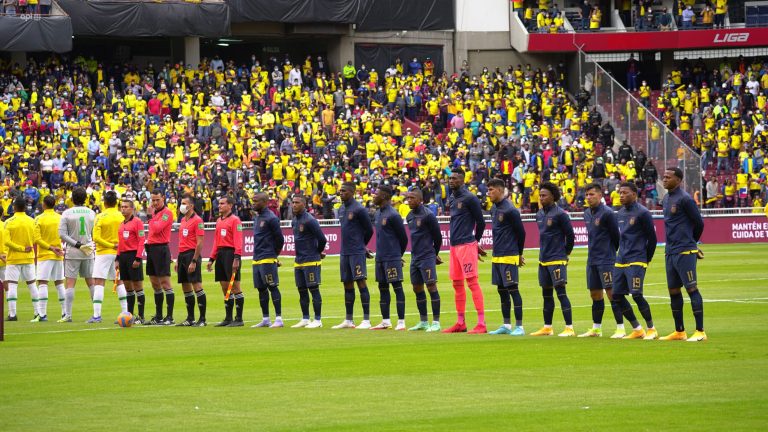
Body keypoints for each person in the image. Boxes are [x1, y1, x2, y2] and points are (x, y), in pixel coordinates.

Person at [660, 168, 706, 342]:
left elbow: (699, 223)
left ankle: (700, 331)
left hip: (685, 251)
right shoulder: (665, 199)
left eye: (668, 177)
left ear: (678, 180)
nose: (664, 179)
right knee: (673, 291)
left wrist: (691, 243)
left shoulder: (685, 199)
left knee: (691, 289)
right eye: (663, 177)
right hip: (670, 251)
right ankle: (679, 331)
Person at [443, 169, 487, 334]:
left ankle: (481, 324)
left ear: (462, 180)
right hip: (454, 247)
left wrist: (475, 242)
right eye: (450, 178)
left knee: (472, 283)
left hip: (466, 245)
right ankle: (460, 322)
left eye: (454, 178)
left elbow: (480, 222)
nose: (451, 180)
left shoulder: (470, 198)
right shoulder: (453, 197)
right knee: (456, 284)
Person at [613, 182, 658, 340]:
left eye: (625, 192)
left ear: (634, 194)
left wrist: (646, 259)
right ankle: (637, 329)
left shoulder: (643, 213)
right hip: (621, 259)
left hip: (637, 259)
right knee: (616, 295)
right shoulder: (619, 213)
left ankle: (651, 329)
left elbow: (652, 239)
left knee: (637, 295)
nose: (621, 195)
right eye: (620, 193)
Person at [579, 184, 624, 338]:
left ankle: (621, 328)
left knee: (612, 294)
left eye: (592, 194)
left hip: (606, 260)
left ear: (599, 195)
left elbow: (616, 237)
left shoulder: (608, 213)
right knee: (595, 295)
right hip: (592, 260)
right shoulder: (586, 213)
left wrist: (611, 254)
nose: (588, 197)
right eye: (587, 195)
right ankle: (596, 329)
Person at [531, 183, 575, 337]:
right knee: (546, 294)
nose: (541, 198)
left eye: (544, 195)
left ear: (553, 196)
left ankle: (569, 328)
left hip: (557, 259)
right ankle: (547, 327)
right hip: (543, 260)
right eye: (540, 195)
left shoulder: (560, 214)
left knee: (561, 293)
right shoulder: (539, 214)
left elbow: (570, 236)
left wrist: (565, 254)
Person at [486, 179, 527, 336]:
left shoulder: (510, 210)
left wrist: (519, 253)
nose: (488, 193)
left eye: (491, 190)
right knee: (501, 291)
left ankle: (519, 327)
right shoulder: (494, 209)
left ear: (499, 190)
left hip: (509, 255)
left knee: (513, 290)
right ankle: (506, 325)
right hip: (497, 256)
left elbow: (521, 233)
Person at [332, 182, 374, 330]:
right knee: (347, 284)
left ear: (352, 192)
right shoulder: (342, 209)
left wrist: (361, 246)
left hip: (356, 252)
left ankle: (366, 320)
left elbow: (369, 230)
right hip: (344, 252)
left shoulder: (359, 209)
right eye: (340, 190)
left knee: (361, 282)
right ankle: (348, 320)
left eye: (343, 191)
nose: (340, 193)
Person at [370, 185, 409, 330]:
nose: (374, 196)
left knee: (397, 288)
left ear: (385, 196)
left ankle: (401, 322)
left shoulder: (393, 215)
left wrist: (398, 255)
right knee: (382, 288)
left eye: (376, 194)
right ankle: (385, 321)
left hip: (391, 258)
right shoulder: (378, 213)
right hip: (380, 257)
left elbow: (403, 239)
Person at [405, 190, 442, 332]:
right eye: (408, 198)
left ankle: (436, 322)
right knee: (417, 288)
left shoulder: (428, 215)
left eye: (412, 198)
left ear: (420, 200)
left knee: (431, 286)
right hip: (415, 257)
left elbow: (437, 237)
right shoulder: (409, 216)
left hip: (427, 256)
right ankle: (423, 321)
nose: (409, 200)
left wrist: (434, 254)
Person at [58, 187, 96, 323]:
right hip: (88, 250)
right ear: (85, 198)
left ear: (72, 199)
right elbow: (93, 232)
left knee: (70, 283)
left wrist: (76, 244)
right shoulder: (91, 213)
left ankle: (67, 315)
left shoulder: (67, 213)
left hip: (73, 251)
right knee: (91, 282)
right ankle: (96, 313)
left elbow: (62, 234)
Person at [207, 196, 245, 327]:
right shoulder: (218, 221)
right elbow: (216, 241)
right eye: (219, 204)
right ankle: (228, 318)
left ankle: (239, 319)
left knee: (234, 286)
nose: (219, 206)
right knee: (225, 287)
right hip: (221, 255)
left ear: (230, 205)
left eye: (222, 203)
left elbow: (238, 241)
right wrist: (211, 258)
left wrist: (237, 258)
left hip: (231, 254)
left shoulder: (235, 221)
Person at [250, 192, 285, 329]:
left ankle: (279, 318)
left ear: (264, 202)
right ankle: (265, 319)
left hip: (267, 257)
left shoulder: (271, 218)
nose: (253, 203)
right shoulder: (257, 217)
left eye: (256, 201)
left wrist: (274, 255)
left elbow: (280, 239)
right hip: (256, 258)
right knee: (261, 289)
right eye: (252, 201)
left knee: (272, 286)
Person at [291, 195, 326, 329]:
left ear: (304, 205)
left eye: (297, 203)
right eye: (293, 202)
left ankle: (317, 319)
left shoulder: (310, 220)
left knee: (314, 289)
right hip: (298, 260)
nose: (294, 205)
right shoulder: (294, 221)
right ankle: (305, 318)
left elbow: (322, 239)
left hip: (311, 260)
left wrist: (317, 252)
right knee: (301, 291)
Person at [92, 191, 129, 321]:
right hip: (119, 253)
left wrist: (109, 245)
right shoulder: (122, 216)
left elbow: (96, 237)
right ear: (117, 202)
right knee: (119, 282)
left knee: (99, 282)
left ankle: (97, 315)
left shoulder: (100, 217)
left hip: (103, 252)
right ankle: (125, 313)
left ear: (105, 202)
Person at [174, 194, 207, 327]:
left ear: (191, 206)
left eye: (184, 203)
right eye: (181, 203)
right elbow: (181, 241)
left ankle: (202, 319)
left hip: (191, 255)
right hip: (182, 255)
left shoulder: (198, 220)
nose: (181, 206)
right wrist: (177, 259)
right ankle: (190, 318)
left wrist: (194, 260)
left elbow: (200, 243)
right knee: (185, 286)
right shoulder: (182, 220)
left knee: (196, 285)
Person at [4, 198, 39, 322]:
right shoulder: (32, 221)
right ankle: (37, 313)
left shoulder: (8, 222)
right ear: (25, 208)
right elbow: (36, 239)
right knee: (32, 284)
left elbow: (7, 242)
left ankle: (12, 314)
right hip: (29, 257)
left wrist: (21, 248)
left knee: (12, 285)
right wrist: (26, 247)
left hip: (14, 258)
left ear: (14, 207)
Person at [145, 190, 175, 325]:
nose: (155, 203)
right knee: (154, 283)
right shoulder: (155, 213)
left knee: (165, 283)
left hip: (161, 249)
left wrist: (150, 217)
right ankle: (159, 315)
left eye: (157, 200)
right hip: (151, 249)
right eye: (153, 200)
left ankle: (169, 316)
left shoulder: (167, 213)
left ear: (163, 198)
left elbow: (157, 228)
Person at [33, 195, 65, 322]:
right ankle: (65, 312)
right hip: (58, 254)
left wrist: (50, 248)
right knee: (59, 283)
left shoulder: (39, 219)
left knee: (42, 283)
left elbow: (36, 239)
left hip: (45, 255)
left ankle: (42, 314)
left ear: (44, 205)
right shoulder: (60, 218)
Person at [118, 199, 146, 323]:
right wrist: (117, 259)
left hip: (133, 256)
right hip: (123, 257)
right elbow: (120, 243)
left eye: (125, 207)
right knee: (128, 287)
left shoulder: (137, 222)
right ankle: (130, 315)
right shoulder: (121, 224)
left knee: (138, 286)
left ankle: (141, 316)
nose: (123, 209)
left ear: (131, 209)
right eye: (121, 207)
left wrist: (138, 258)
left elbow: (141, 240)